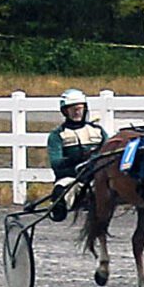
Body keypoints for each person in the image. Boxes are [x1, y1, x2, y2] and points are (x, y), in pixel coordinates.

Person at [43, 88, 108, 221]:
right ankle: (59, 206)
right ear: (65, 111)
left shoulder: (97, 130)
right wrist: (76, 159)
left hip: (97, 175)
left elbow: (109, 152)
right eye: (73, 109)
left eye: (79, 108)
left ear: (85, 109)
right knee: (60, 189)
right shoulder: (57, 135)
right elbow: (56, 164)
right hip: (71, 177)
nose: (77, 111)